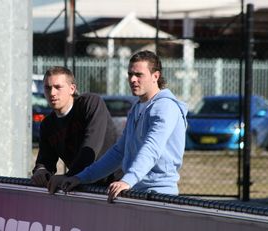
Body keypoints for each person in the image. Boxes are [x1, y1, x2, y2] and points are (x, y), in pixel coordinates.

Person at [53, 50, 188, 202]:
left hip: (158, 195)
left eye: (139, 75)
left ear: (155, 76)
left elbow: (152, 147)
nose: (133, 79)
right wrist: (80, 178)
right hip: (134, 191)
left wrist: (128, 180)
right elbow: (119, 152)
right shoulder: (136, 108)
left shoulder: (165, 107)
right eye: (130, 74)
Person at [31, 66, 118, 189]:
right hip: (80, 184)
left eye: (58, 87)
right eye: (47, 88)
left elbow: (90, 149)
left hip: (114, 184)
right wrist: (41, 171)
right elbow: (45, 160)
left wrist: (69, 175)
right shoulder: (48, 124)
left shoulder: (90, 103)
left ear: (72, 89)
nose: (52, 93)